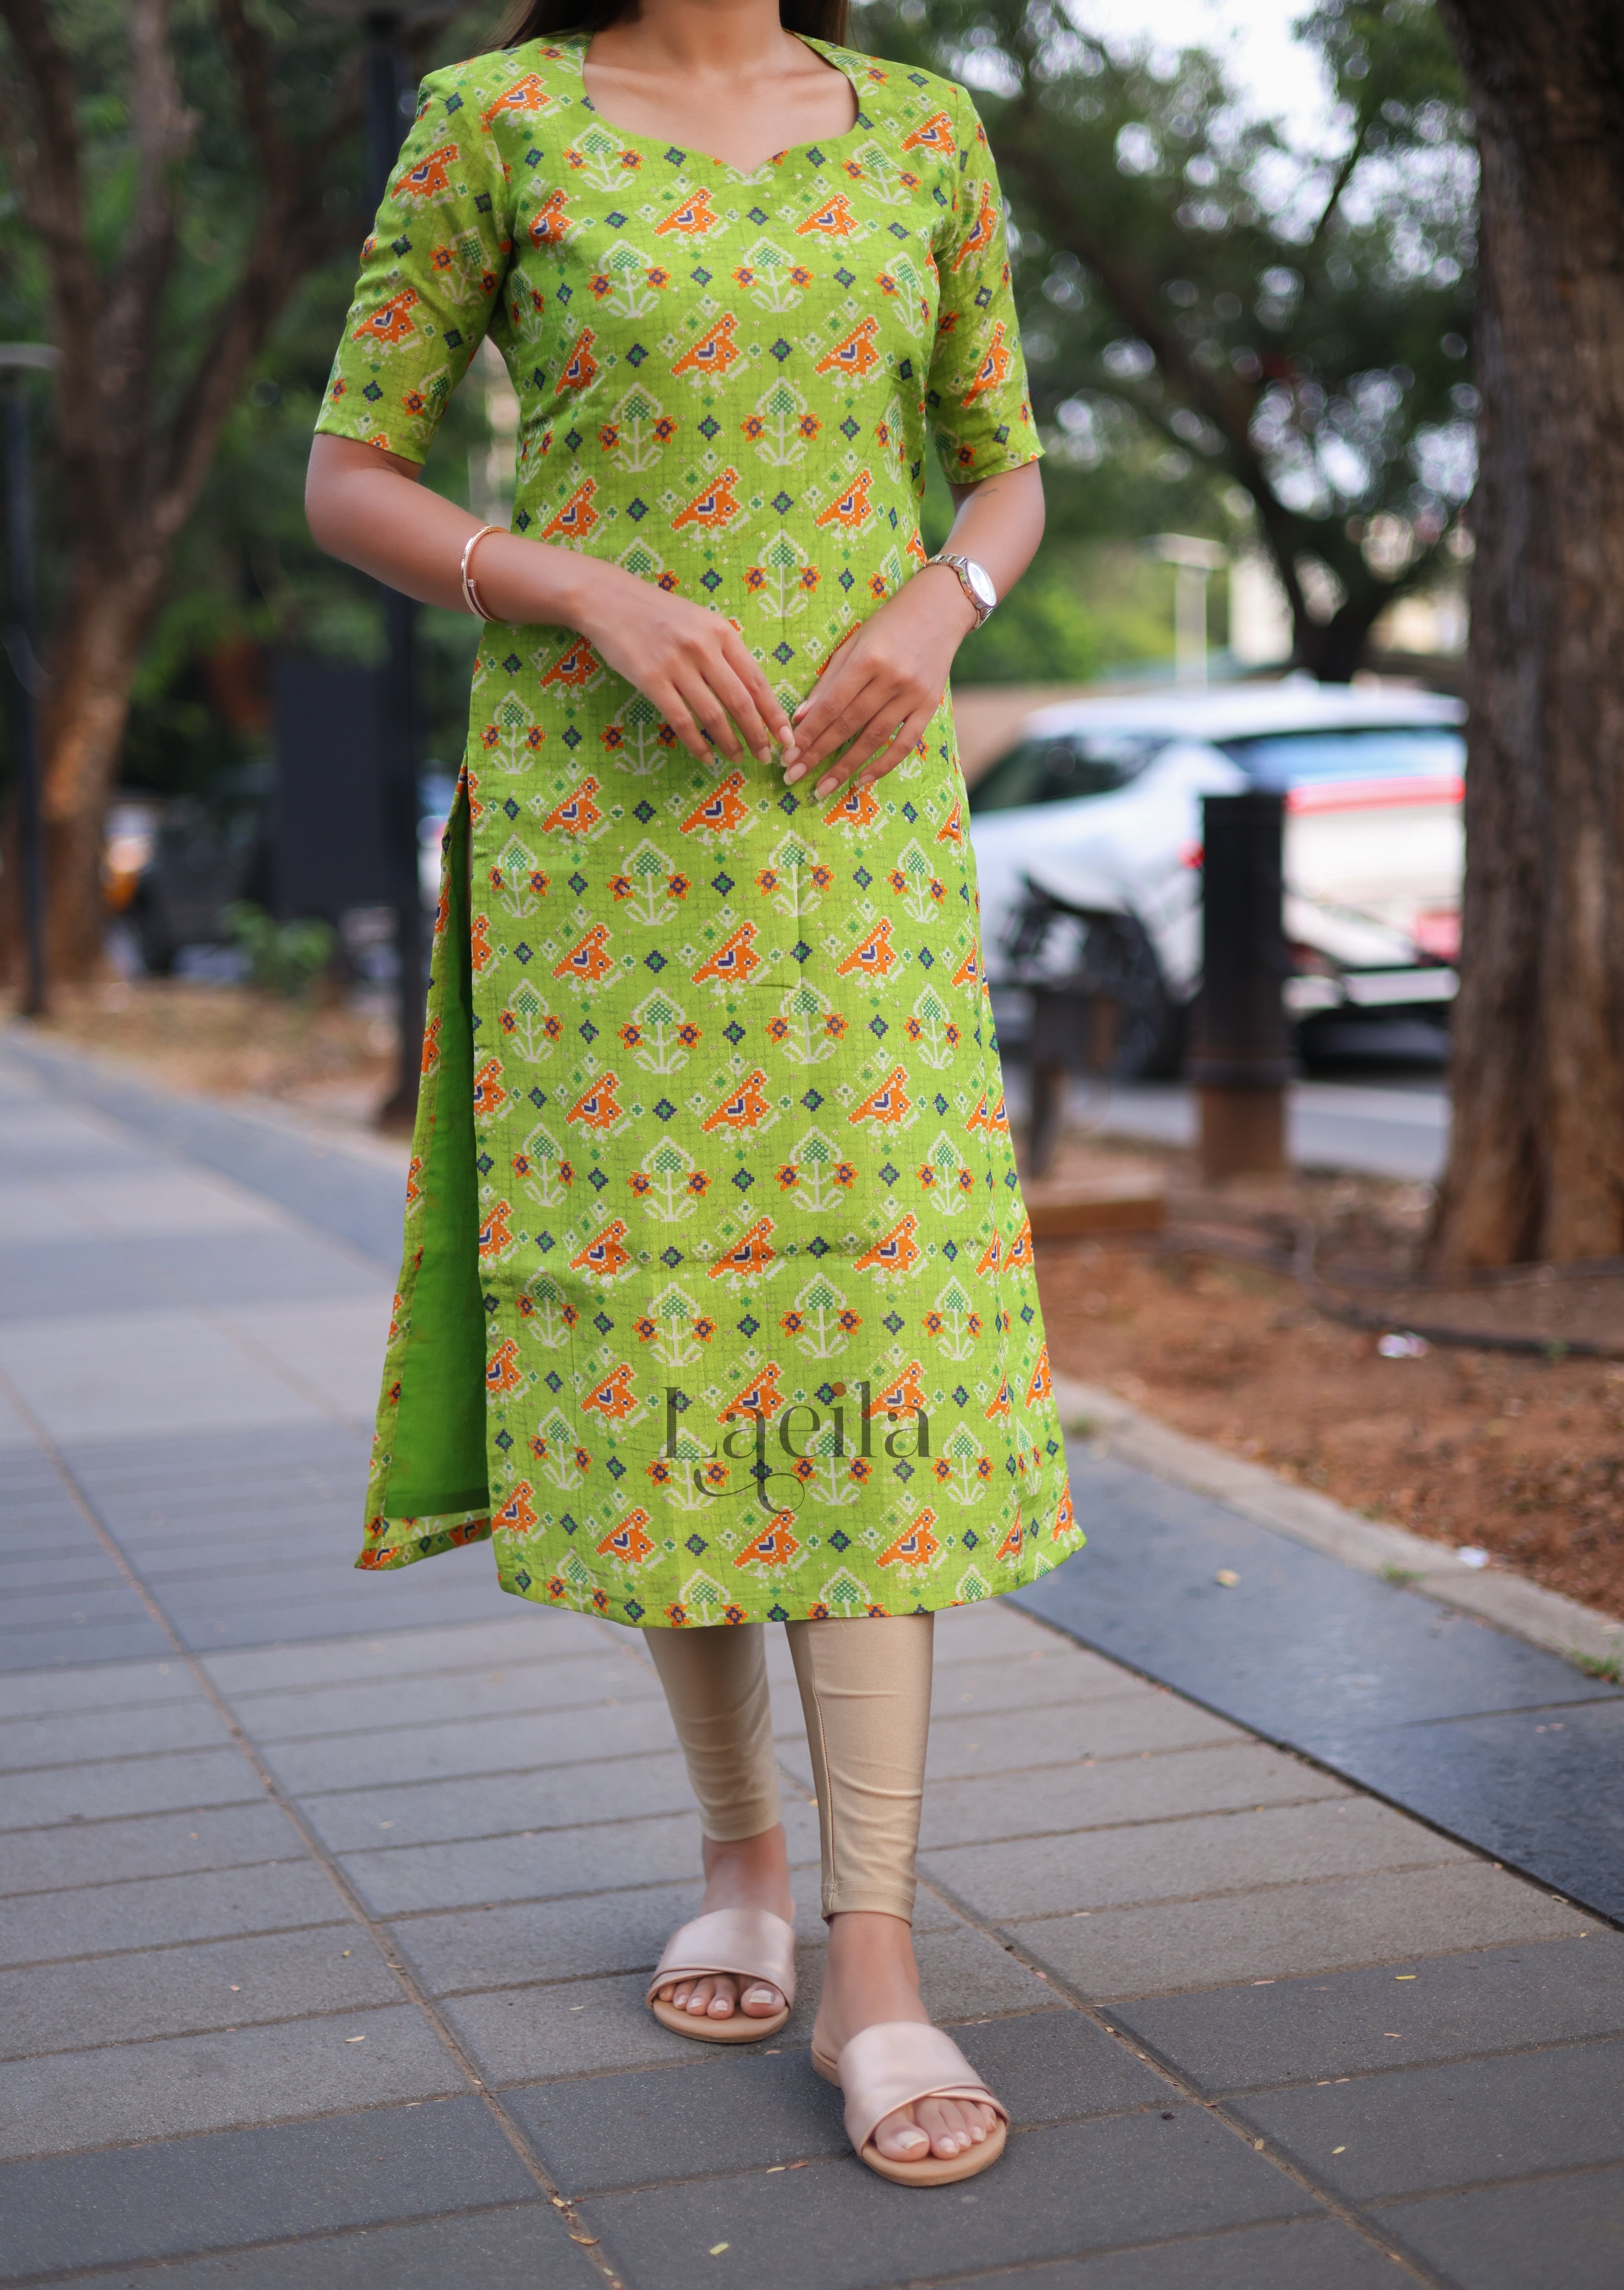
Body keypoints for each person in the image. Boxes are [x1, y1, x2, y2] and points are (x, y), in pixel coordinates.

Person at [305, 0, 1082, 2187]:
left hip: (852, 825)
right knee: (665, 1327)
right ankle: (736, 1847)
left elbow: (1004, 454)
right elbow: (345, 468)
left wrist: (946, 597)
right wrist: (574, 587)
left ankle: (875, 1949)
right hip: (600, 835)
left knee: (864, 1336)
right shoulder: (497, 120)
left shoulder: (922, 135)